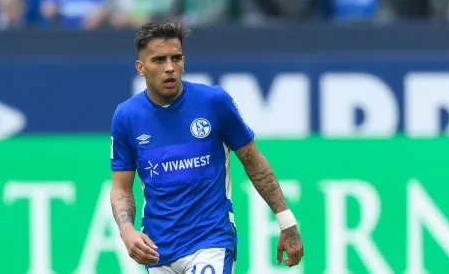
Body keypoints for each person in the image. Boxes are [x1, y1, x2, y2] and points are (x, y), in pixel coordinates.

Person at [109, 20, 304, 274]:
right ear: (141, 67)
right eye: (159, 60)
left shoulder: (214, 102)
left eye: (176, 58)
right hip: (158, 250)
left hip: (211, 241)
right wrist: (126, 230)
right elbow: (121, 187)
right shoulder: (126, 116)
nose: (170, 68)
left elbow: (253, 162)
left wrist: (286, 221)